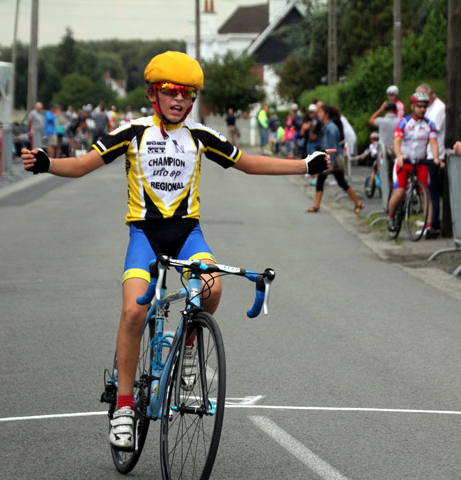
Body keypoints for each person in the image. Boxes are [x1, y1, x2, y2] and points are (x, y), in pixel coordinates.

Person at [20, 51, 331, 450]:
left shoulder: (201, 137)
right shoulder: (132, 133)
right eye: (171, 91)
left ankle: (187, 350)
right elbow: (82, 165)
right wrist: (47, 163)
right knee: (134, 310)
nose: (180, 99)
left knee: (212, 287)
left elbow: (249, 163)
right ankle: (125, 409)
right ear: (153, 94)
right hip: (145, 238)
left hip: (187, 235)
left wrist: (305, 165)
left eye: (189, 93)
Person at [387, 92, 440, 234]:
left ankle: (428, 226)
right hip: (405, 162)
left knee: (425, 194)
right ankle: (390, 216)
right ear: (412, 106)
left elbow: (434, 143)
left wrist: (435, 158)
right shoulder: (404, 122)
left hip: (421, 163)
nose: (422, 109)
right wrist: (398, 155)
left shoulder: (430, 124)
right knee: (400, 192)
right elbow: (397, 141)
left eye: (424, 107)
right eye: (419, 107)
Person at [305, 104, 364, 214]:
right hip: (332, 159)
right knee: (340, 182)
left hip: (333, 159)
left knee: (323, 180)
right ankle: (358, 202)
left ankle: (316, 206)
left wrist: (329, 163)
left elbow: (332, 147)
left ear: (326, 114)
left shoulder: (331, 128)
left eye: (320, 112)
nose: (318, 114)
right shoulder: (326, 127)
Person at [416, 84, 446, 239]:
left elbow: (430, 128)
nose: (421, 101)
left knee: (433, 192)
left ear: (431, 94)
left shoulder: (439, 108)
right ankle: (428, 221)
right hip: (425, 154)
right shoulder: (428, 108)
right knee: (425, 191)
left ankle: (434, 224)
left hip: (434, 155)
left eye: (424, 97)